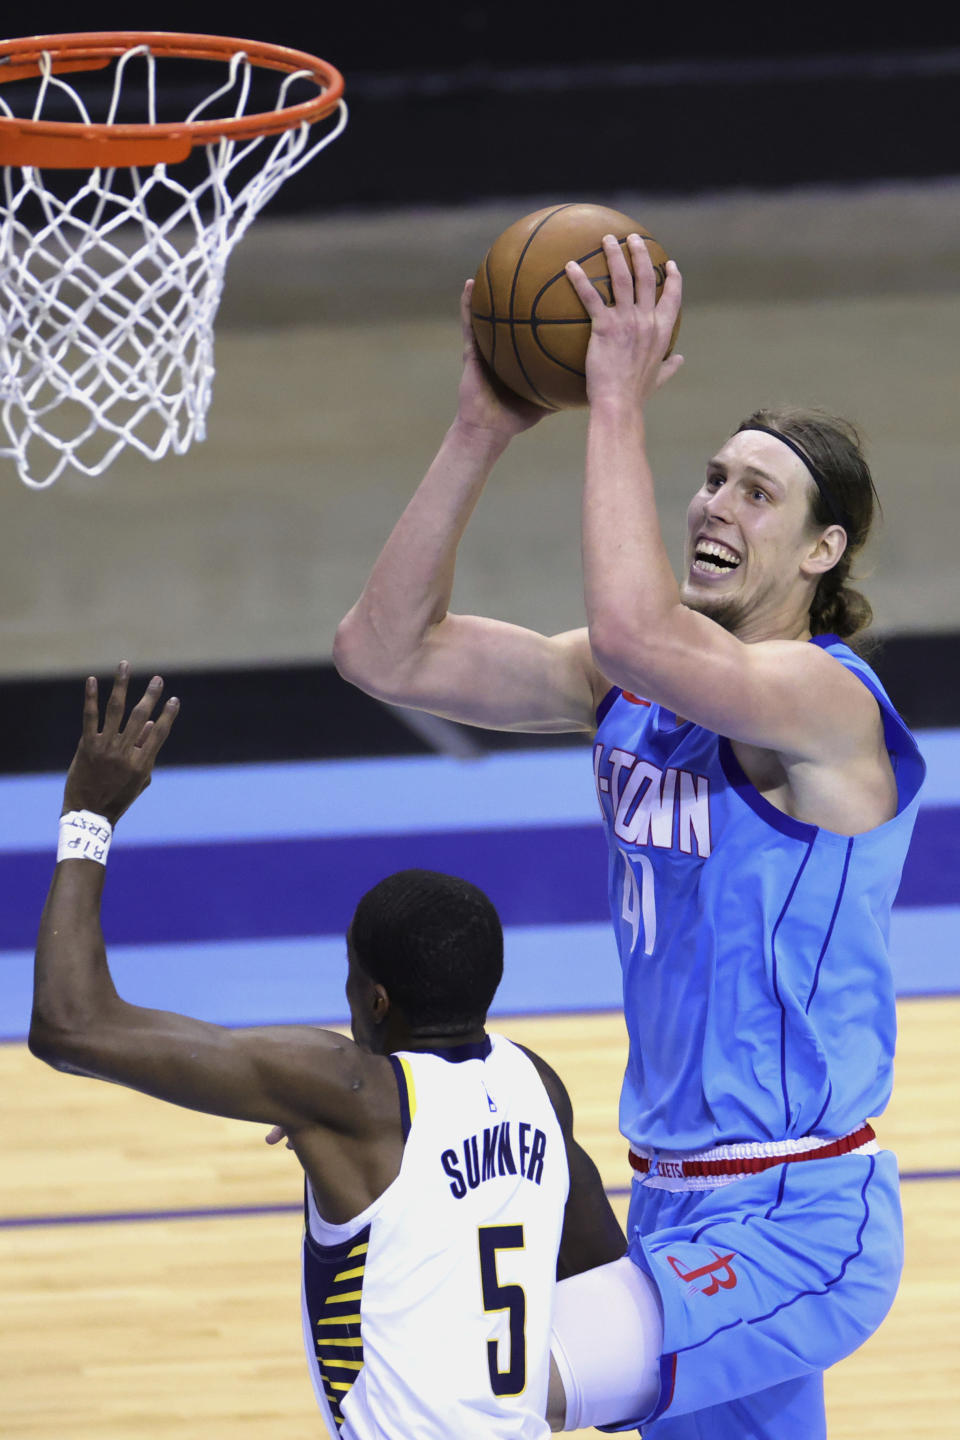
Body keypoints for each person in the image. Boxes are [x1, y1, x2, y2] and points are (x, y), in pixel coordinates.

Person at [333, 237, 926, 1437]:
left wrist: (613, 401)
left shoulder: (828, 705)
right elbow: (382, 653)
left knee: (480, 1389)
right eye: (711, 477)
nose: (714, 502)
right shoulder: (627, 685)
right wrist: (480, 430)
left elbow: (643, 628)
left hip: (797, 1212)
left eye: (758, 494)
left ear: (823, 553)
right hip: (668, 1198)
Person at [29, 663, 628, 1440]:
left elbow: (70, 1025)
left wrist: (88, 814)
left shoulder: (349, 1091)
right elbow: (606, 1297)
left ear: (375, 998)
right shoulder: (535, 1086)